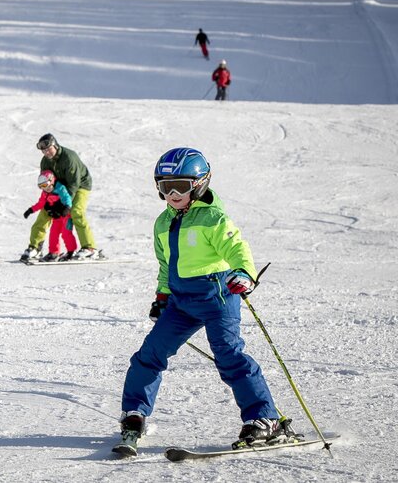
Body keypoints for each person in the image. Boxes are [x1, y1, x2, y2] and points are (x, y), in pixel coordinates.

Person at [116, 148, 291, 455]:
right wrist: (162, 297)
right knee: (149, 354)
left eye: (180, 186)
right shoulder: (162, 223)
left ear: (199, 184)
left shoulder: (213, 219)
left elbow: (237, 248)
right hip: (181, 302)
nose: (172, 193)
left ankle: (264, 419)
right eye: (164, 186)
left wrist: (244, 274)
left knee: (229, 357)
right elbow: (166, 265)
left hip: (217, 297)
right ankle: (134, 414)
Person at [21, 134, 99, 261]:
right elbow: (46, 182)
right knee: (45, 213)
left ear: (55, 145)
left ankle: (90, 248)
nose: (46, 152)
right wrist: (48, 202)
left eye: (48, 148)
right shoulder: (45, 161)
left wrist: (64, 204)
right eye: (43, 150)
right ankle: (35, 248)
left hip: (80, 186)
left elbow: (73, 184)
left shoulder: (69, 158)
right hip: (57, 188)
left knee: (76, 211)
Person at [23, 171, 77, 262]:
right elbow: (41, 203)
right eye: (41, 186)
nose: (45, 188)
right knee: (53, 234)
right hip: (56, 218)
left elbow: (67, 198)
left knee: (66, 233)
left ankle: (71, 252)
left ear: (51, 180)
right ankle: (53, 253)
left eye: (45, 185)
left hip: (65, 216)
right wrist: (30, 210)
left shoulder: (60, 188)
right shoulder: (45, 193)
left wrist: (67, 208)